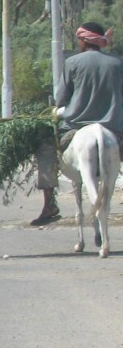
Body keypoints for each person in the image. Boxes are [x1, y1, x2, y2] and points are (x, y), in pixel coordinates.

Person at [32, 21, 123, 226]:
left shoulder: (73, 63)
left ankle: (49, 204)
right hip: (116, 129)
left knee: (45, 145)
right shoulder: (118, 63)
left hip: (76, 127)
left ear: (84, 40)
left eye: (79, 39)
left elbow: (62, 98)